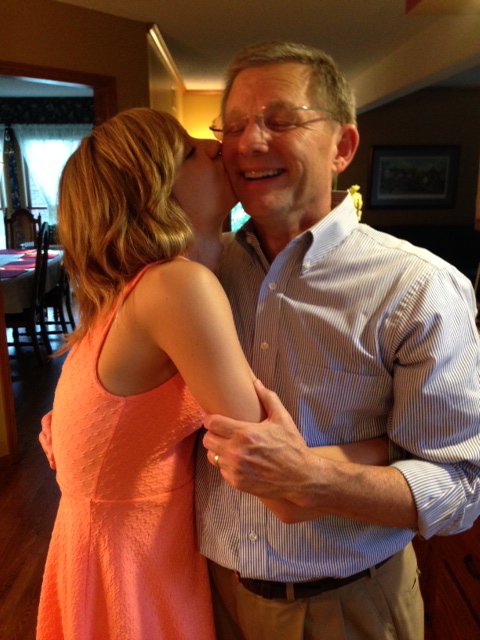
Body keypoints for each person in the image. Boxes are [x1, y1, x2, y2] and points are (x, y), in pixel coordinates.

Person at [36, 107, 388, 640]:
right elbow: (279, 488)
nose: (215, 146)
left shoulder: (134, 288)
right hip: (134, 565)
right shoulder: (176, 287)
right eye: (187, 151)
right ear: (155, 196)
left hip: (109, 549)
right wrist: (399, 445)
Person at [198, 41, 480, 640]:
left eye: (281, 120)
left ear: (342, 147)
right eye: (235, 126)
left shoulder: (418, 288)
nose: (249, 143)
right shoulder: (202, 273)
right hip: (208, 594)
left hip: (348, 609)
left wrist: (308, 478)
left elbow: (461, 486)